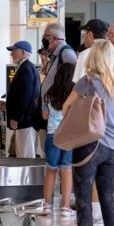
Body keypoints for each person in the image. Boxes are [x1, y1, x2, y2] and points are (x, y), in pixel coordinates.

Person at [56, 40, 114, 226]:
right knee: (108, 200)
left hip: (91, 145)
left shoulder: (87, 82)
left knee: (84, 199)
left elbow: (66, 107)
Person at [41, 62, 75, 217]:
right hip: (69, 135)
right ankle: (65, 207)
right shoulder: (75, 93)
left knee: (51, 170)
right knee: (66, 169)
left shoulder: (49, 93)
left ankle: (47, 205)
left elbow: (44, 116)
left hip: (52, 135)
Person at [5, 41, 40, 159]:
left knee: (25, 155)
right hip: (25, 119)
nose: (11, 54)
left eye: (14, 51)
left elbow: (25, 95)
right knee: (23, 154)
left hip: (25, 120)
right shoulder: (25, 68)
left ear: (24, 52)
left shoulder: (26, 69)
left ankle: (28, 178)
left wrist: (16, 116)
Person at [41, 23, 77, 99]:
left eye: (46, 36)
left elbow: (72, 82)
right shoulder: (55, 53)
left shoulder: (66, 53)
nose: (44, 39)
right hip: (49, 104)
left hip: (56, 106)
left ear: (56, 38)